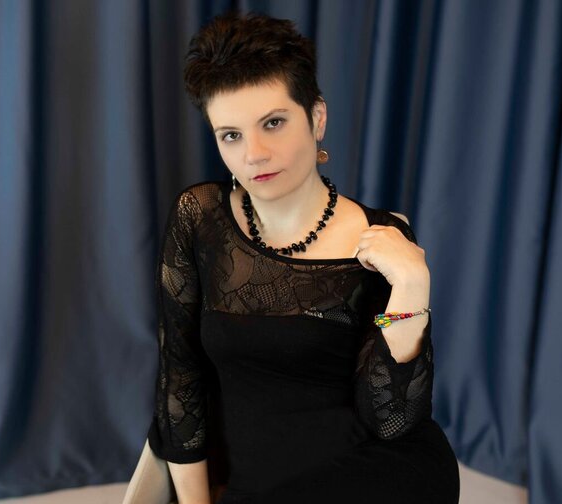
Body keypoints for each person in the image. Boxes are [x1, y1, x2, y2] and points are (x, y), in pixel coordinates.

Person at [146, 11, 460, 504]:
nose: (254, 153)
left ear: (317, 118)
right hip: (257, 485)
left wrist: (412, 288)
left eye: (273, 123)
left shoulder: (380, 238)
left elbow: (392, 418)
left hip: (373, 477)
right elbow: (180, 377)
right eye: (231, 135)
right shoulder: (199, 217)